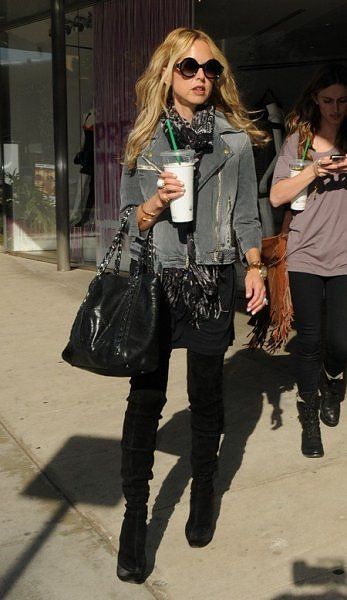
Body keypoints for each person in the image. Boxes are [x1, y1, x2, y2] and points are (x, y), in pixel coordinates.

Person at [117, 27, 268, 583]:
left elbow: (249, 217)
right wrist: (154, 202)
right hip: (157, 283)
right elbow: (126, 223)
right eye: (189, 67)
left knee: (206, 401)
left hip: (211, 285)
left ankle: (203, 487)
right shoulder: (144, 143)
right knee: (145, 403)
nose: (202, 77)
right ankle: (136, 517)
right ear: (167, 74)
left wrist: (254, 267)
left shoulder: (235, 143)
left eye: (211, 70)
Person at [270, 64, 347, 459]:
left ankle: (334, 380)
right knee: (310, 340)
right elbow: (277, 196)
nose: (335, 108)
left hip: (345, 257)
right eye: (328, 100)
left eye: (341, 101)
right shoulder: (298, 144)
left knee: (340, 341)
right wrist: (316, 169)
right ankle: (310, 416)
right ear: (316, 101)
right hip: (304, 253)